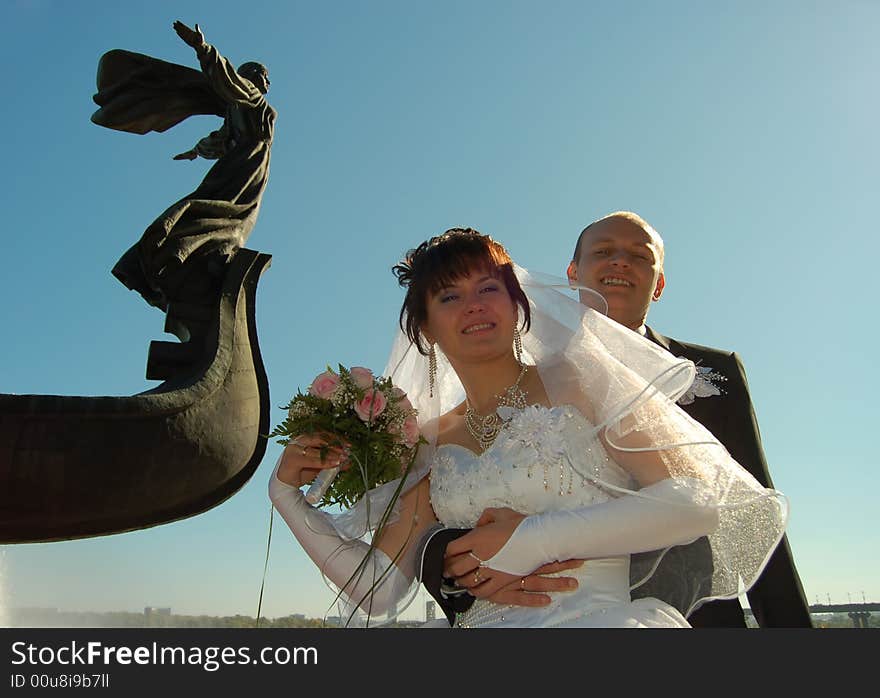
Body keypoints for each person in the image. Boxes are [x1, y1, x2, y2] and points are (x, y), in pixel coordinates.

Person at [269, 228, 788, 628]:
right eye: (449, 296)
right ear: (424, 328)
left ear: (518, 304)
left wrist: (535, 540)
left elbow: (695, 502)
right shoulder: (426, 441)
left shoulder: (581, 383)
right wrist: (287, 497)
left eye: (488, 287)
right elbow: (379, 591)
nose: (473, 304)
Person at [563, 211, 812, 627]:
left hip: (701, 618)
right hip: (563, 611)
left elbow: (751, 507)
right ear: (573, 272)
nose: (620, 262)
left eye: (640, 257)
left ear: (658, 284)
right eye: (603, 251)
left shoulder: (715, 371)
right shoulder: (529, 371)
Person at [92, 21, 276, 310]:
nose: (268, 82)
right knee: (222, 212)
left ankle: (180, 256)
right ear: (251, 77)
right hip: (244, 167)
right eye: (264, 76)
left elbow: (221, 139)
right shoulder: (250, 97)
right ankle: (171, 255)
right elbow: (228, 80)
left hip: (245, 167)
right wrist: (203, 49)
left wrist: (196, 151)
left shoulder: (236, 109)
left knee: (222, 213)